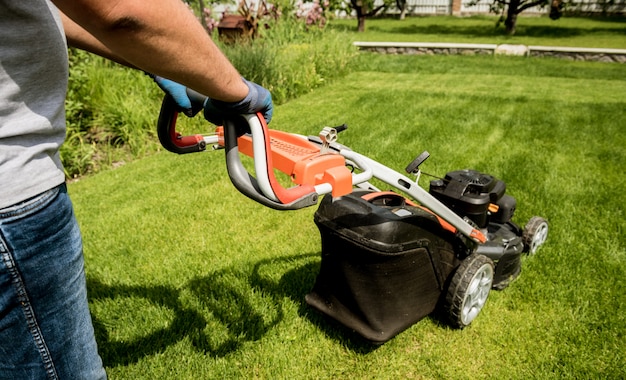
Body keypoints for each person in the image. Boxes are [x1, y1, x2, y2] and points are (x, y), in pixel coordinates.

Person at [0, 1, 273, 378]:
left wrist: (157, 59)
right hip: (12, 207)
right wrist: (237, 92)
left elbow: (48, 9)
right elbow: (122, 9)